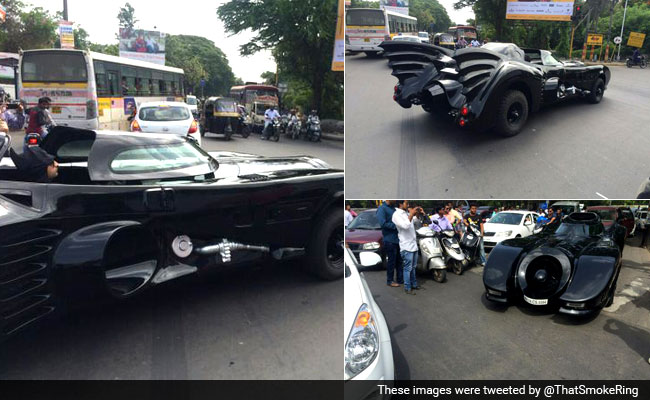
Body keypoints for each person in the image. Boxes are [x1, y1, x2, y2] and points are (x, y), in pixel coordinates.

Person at [392, 200, 423, 295]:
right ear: (400, 204)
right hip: (406, 246)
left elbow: (416, 223)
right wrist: (411, 214)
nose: (408, 205)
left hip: (413, 245)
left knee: (413, 267)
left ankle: (414, 284)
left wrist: (417, 214)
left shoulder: (406, 213)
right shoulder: (396, 215)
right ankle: (407, 287)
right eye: (406, 203)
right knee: (407, 268)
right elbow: (405, 226)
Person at [376, 201, 403, 288]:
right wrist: (397, 226)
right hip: (389, 239)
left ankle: (400, 279)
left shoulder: (394, 208)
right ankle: (390, 280)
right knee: (391, 261)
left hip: (398, 239)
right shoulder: (382, 208)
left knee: (399, 261)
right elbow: (383, 223)